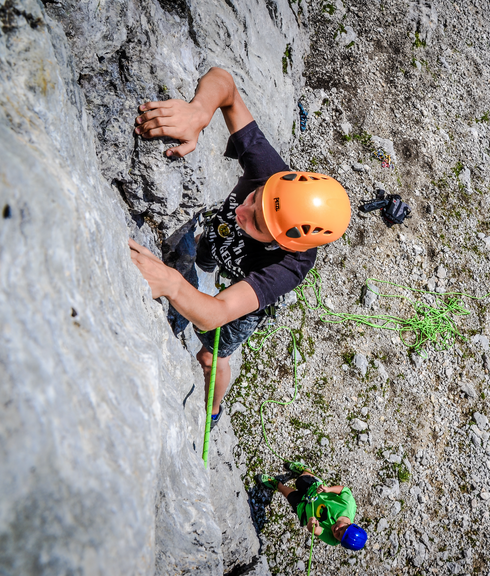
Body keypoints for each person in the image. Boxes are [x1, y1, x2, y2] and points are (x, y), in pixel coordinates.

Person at [128, 67, 351, 428]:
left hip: (243, 294)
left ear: (284, 242)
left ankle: (213, 411)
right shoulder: (270, 174)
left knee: (209, 358)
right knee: (202, 253)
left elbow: (217, 314)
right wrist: (199, 112)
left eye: (258, 222)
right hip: (214, 247)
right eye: (256, 197)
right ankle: (198, 271)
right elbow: (224, 83)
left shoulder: (289, 266)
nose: (243, 210)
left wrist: (170, 284)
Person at [257, 462, 367, 550]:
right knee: (301, 480)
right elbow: (344, 490)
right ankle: (306, 470)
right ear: (351, 524)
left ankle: (277, 485)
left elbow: (315, 530)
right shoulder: (348, 506)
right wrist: (328, 489)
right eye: (342, 528)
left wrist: (311, 525)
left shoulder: (333, 540)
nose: (336, 529)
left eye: (338, 535)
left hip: (304, 509)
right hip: (314, 490)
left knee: (289, 495)